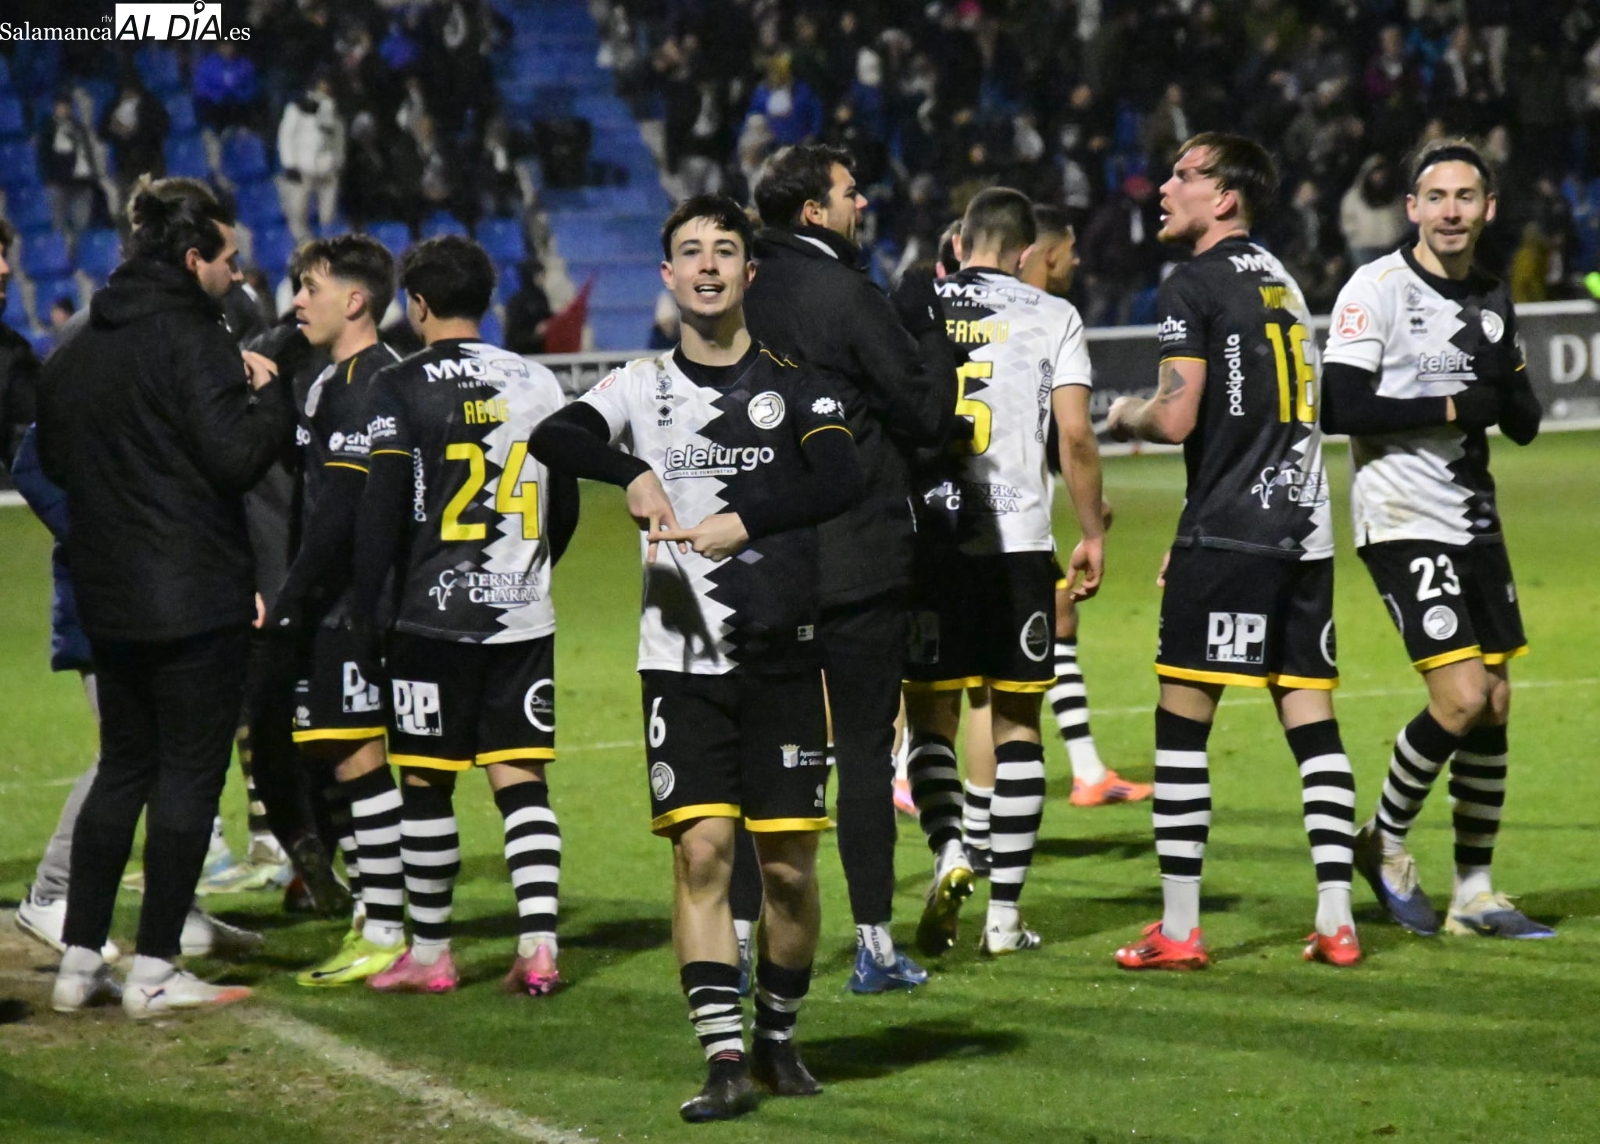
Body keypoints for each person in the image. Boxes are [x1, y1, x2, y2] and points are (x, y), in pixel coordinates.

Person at [529, 194, 862, 1122]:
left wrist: (741, 520)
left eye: (726, 250)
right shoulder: (637, 387)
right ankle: (721, 1056)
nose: (709, 264)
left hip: (784, 661)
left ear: (750, 275)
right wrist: (629, 471)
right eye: (690, 251)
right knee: (702, 857)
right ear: (668, 277)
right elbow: (553, 433)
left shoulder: (801, 387)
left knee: (789, 870)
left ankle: (779, 1041)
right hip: (679, 664)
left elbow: (841, 475)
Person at [37, 176, 294, 1016]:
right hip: (192, 594)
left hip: (107, 596)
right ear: (193, 259)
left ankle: (80, 962)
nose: (238, 276)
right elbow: (235, 459)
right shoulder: (195, 338)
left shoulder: (77, 341)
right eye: (228, 260)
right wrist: (272, 398)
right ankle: (153, 968)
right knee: (188, 774)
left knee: (123, 770)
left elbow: (59, 463)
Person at [1105, 133, 1360, 971]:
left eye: (1185, 175)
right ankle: (1336, 919)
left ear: (1225, 199)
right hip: (1305, 530)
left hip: (1230, 533)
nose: (1166, 186)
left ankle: (1179, 929)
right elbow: (1253, 423)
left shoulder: (1192, 284)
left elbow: (1179, 418)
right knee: (1311, 718)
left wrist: (1125, 414)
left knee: (1182, 724)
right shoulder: (1281, 278)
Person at [1320, 137, 1550, 940]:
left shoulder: (1491, 296)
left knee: (1493, 705)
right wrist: (1455, 405)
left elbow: (1520, 422)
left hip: (1474, 522)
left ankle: (1474, 893)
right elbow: (1338, 407)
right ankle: (1381, 842)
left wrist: (1505, 372)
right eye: (1436, 197)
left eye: (1466, 198)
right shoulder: (1374, 288)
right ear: (1411, 208)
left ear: (1487, 210)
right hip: (1401, 517)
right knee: (1457, 698)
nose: (1451, 211)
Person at [742, 143, 957, 994]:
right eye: (847, 193)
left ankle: (737, 940)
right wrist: (928, 328)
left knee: (763, 759)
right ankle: (872, 946)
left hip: (757, 558)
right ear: (813, 213)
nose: (860, 203)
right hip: (858, 556)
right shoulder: (844, 292)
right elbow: (927, 412)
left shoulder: (740, 293)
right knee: (866, 751)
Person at [345, 236, 574, 996]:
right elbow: (565, 503)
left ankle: (433, 953)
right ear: (486, 298)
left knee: (427, 784)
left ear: (416, 305)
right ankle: (539, 948)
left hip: (432, 618)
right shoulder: (539, 382)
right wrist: (530, 570)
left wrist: (369, 610)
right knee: (521, 780)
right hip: (523, 615)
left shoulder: (401, 384)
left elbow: (381, 512)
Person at [903, 188, 1105, 957]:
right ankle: (1004, 920)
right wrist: (1090, 533)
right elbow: (1077, 437)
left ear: (957, 242)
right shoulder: (1053, 315)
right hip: (1016, 544)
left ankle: (950, 850)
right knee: (1019, 728)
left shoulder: (916, 305)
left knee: (931, 720)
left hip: (929, 541)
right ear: (1025, 253)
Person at [256, 234, 412, 985]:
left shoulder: (372, 381)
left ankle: (386, 927)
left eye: (309, 287)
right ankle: (375, 915)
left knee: (359, 759)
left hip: (352, 605)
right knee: (339, 758)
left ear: (354, 300)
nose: (296, 302)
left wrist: (290, 601)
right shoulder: (331, 380)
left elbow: (343, 509)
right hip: (336, 603)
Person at [1023, 205, 1150, 809]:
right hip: (1004, 521)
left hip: (972, 514)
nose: (1077, 261)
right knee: (981, 682)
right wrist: (1094, 521)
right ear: (1048, 254)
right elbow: (1072, 435)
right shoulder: (1047, 320)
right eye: (1070, 250)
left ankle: (1087, 769)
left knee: (1056, 621)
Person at [277, 72, 347, 243]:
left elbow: (338, 137)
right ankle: (302, 244)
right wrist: (290, 164)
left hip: (326, 167)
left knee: (328, 214)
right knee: (298, 211)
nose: (325, 88)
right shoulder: (297, 108)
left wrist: (338, 162)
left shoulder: (333, 108)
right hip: (302, 167)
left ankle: (327, 243)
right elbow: (286, 136)